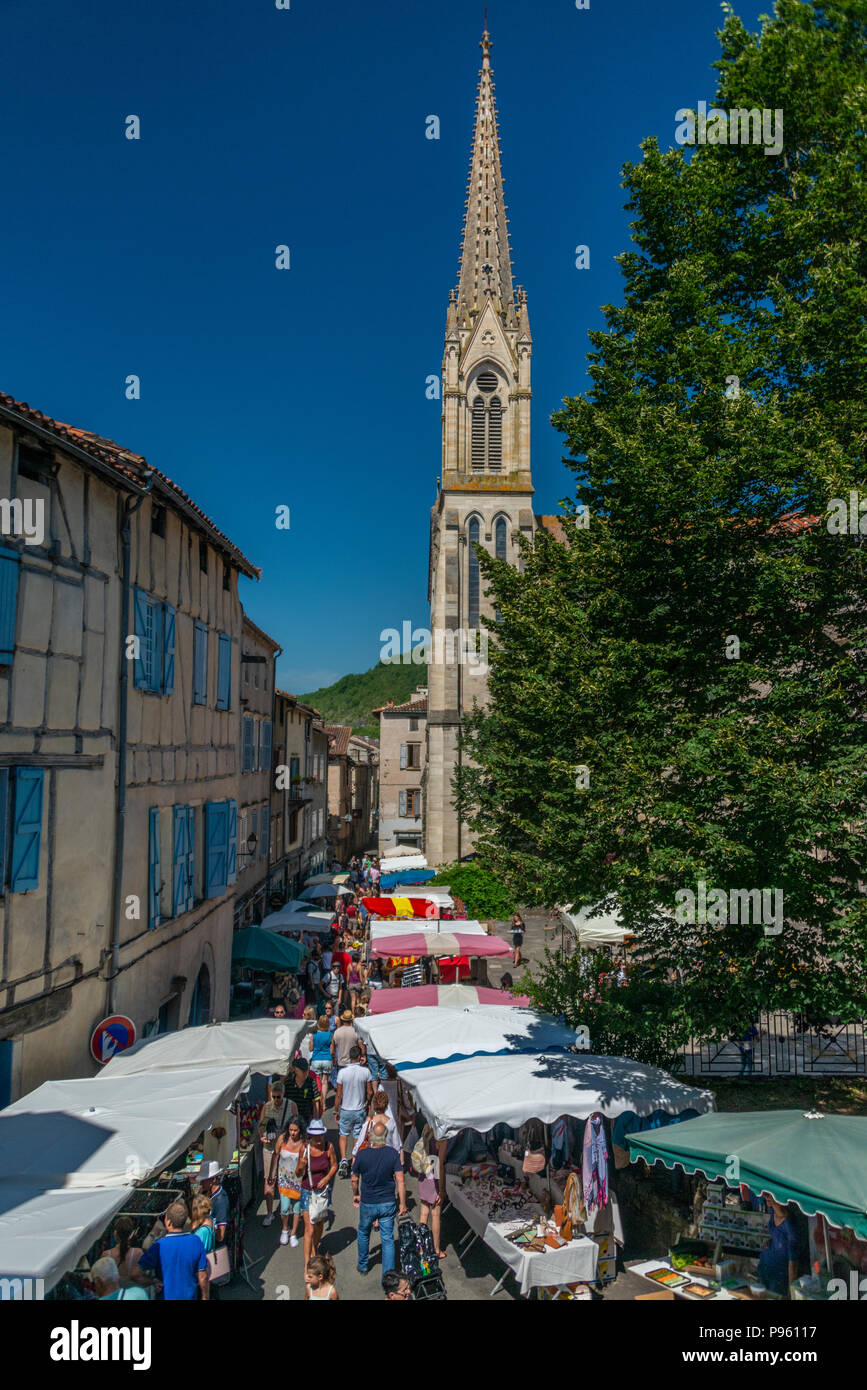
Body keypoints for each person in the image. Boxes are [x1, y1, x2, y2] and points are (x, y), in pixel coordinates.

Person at [351, 1122, 407, 1276]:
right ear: (385, 1137)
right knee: (388, 1239)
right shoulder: (392, 1154)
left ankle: (363, 1265)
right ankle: (388, 1274)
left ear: (370, 1136)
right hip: (387, 1202)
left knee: (363, 1232)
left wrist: (355, 1194)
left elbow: (354, 1179)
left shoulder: (362, 1155)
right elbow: (400, 1181)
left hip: (368, 1202)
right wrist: (402, 1203)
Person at [133, 1201, 210, 1301]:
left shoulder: (158, 1246)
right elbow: (202, 1275)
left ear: (168, 1222)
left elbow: (134, 1274)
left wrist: (153, 1281)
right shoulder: (195, 1241)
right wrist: (205, 1296)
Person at [296, 1118, 338, 1272]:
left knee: (319, 1224)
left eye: (320, 1135)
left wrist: (327, 1178)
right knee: (310, 1229)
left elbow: (334, 1165)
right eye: (315, 1135)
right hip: (307, 1191)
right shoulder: (305, 1149)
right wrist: (301, 1165)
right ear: (310, 1135)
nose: (318, 1138)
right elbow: (298, 1173)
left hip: (322, 1193)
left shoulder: (329, 1147)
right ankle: (308, 1264)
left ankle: (314, 1249)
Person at [258, 1079, 297, 1226]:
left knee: (287, 1179)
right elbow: (260, 1125)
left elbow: (297, 1125)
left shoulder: (291, 1106)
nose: (276, 1100)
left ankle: (287, 1210)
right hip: (269, 1149)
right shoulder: (266, 1107)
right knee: (269, 1180)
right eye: (273, 1097)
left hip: (286, 1149)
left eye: (278, 1097)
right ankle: (269, 1213)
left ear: (283, 1095)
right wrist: (263, 1136)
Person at [335, 1045, 373, 1177]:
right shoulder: (365, 1072)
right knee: (357, 1136)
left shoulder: (342, 1073)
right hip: (359, 1109)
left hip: (345, 1109)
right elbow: (369, 1092)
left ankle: (343, 1159)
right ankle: (355, 1162)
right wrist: (368, 1103)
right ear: (359, 1057)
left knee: (343, 1134)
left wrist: (336, 1110)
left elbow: (339, 1095)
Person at [270, 1115, 305, 1247]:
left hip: (297, 1181)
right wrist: (271, 1174)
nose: (293, 1133)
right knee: (284, 1208)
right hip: (283, 1180)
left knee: (296, 1209)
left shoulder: (303, 1143)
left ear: (300, 1130)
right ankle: (285, 1228)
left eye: (295, 1130)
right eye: (291, 1130)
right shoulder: (282, 1139)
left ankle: (293, 1233)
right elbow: (275, 1155)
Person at [757, 1196, 803, 1296]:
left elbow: (793, 1264)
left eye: (771, 1195)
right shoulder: (773, 1211)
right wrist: (771, 1240)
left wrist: (792, 1293)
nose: (766, 1196)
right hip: (765, 1266)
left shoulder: (790, 1226)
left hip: (779, 1277)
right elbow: (777, 1235)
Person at [416, 1126, 448, 1259]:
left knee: (424, 1214)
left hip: (423, 1174)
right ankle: (436, 1249)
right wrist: (441, 1190)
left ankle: (421, 1247)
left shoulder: (426, 1128)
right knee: (435, 1215)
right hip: (434, 1178)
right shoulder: (442, 1138)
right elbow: (439, 1165)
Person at [353, 1088, 400, 1156]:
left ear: (374, 1104)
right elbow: (396, 1146)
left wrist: (354, 1153)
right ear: (386, 1105)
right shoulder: (391, 1122)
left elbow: (361, 1140)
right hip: (387, 1155)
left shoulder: (369, 1121)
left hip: (372, 1155)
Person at [103, 1215, 143, 1286]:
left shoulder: (106, 1255)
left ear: (115, 1233)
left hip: (114, 1295)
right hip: (132, 1294)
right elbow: (141, 1277)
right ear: (131, 1234)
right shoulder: (138, 1253)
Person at [284, 1058, 323, 1124]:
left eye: (307, 1070)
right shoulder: (288, 1083)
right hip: (291, 1119)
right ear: (296, 1070)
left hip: (306, 1118)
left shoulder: (312, 1082)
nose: (305, 1073)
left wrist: (316, 1121)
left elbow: (315, 1103)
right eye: (302, 1071)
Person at [310, 1015, 335, 1095]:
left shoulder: (314, 1035)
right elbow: (332, 1051)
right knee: (325, 1082)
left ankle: (318, 1098)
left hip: (316, 1059)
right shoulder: (330, 1035)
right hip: (327, 1059)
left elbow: (310, 1048)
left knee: (317, 1080)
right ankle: (323, 1102)